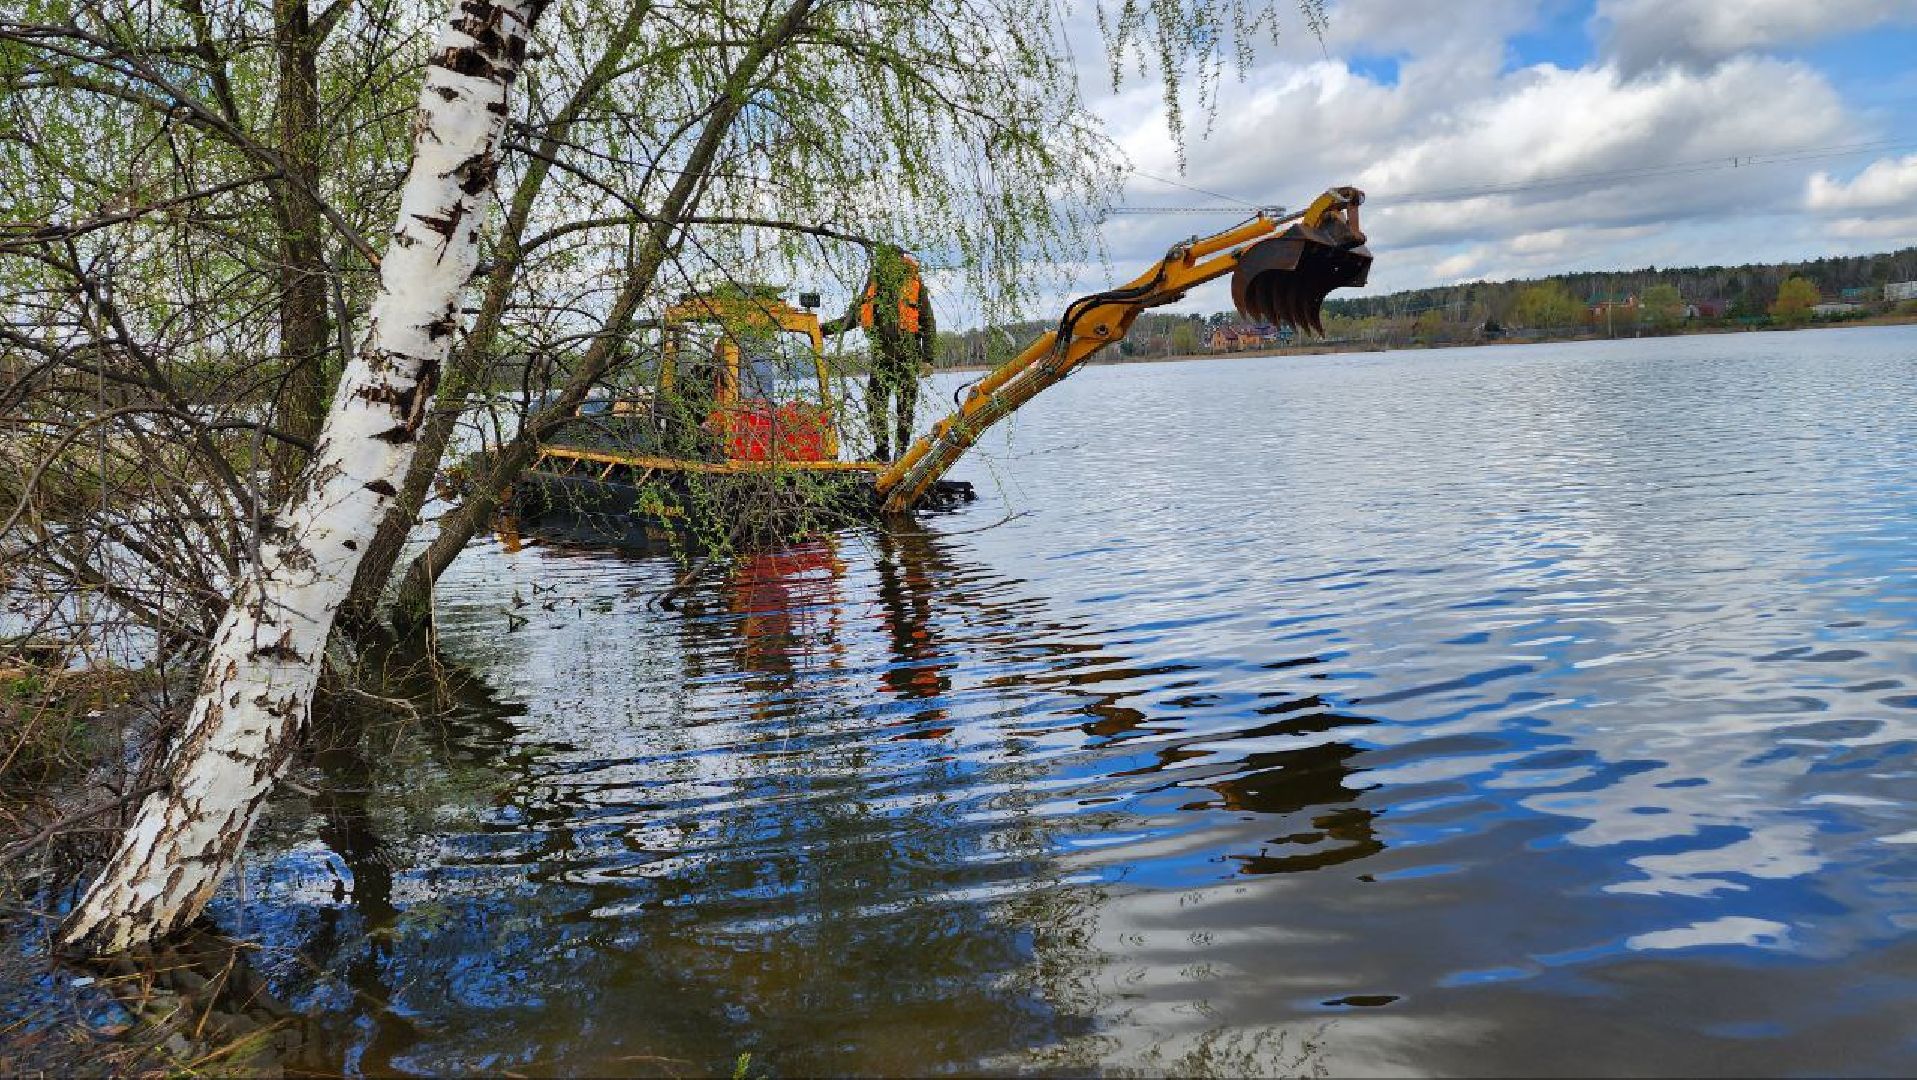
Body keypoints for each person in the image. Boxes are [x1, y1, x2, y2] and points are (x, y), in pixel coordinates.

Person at [824, 244, 935, 461]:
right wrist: (824, 329)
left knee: (905, 406)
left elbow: (927, 322)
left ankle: (901, 453)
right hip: (881, 357)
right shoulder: (873, 284)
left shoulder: (914, 284)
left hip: (908, 356)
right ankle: (882, 451)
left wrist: (928, 359)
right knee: (874, 401)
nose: (885, 264)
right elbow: (853, 317)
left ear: (900, 261)